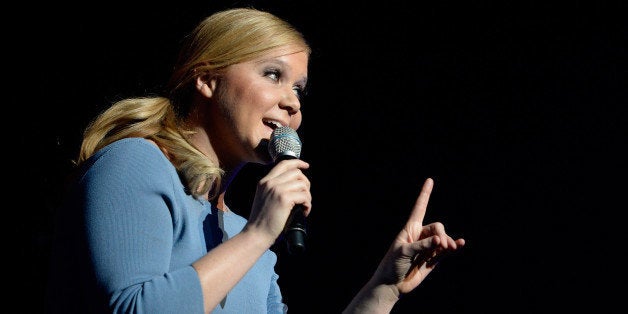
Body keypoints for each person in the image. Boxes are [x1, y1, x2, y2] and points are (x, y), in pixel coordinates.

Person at [46, 7, 465, 314]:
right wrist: (260, 234)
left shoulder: (246, 239)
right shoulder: (133, 162)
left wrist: (383, 289)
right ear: (207, 80)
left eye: (300, 89)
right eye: (272, 74)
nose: (292, 103)